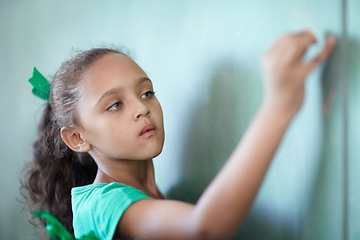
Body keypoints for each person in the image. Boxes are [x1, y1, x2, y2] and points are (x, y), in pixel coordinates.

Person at [22, 30, 335, 240]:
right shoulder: (100, 206)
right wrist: (279, 107)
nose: (141, 109)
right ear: (77, 138)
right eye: (115, 104)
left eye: (146, 93)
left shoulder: (156, 198)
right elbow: (205, 228)